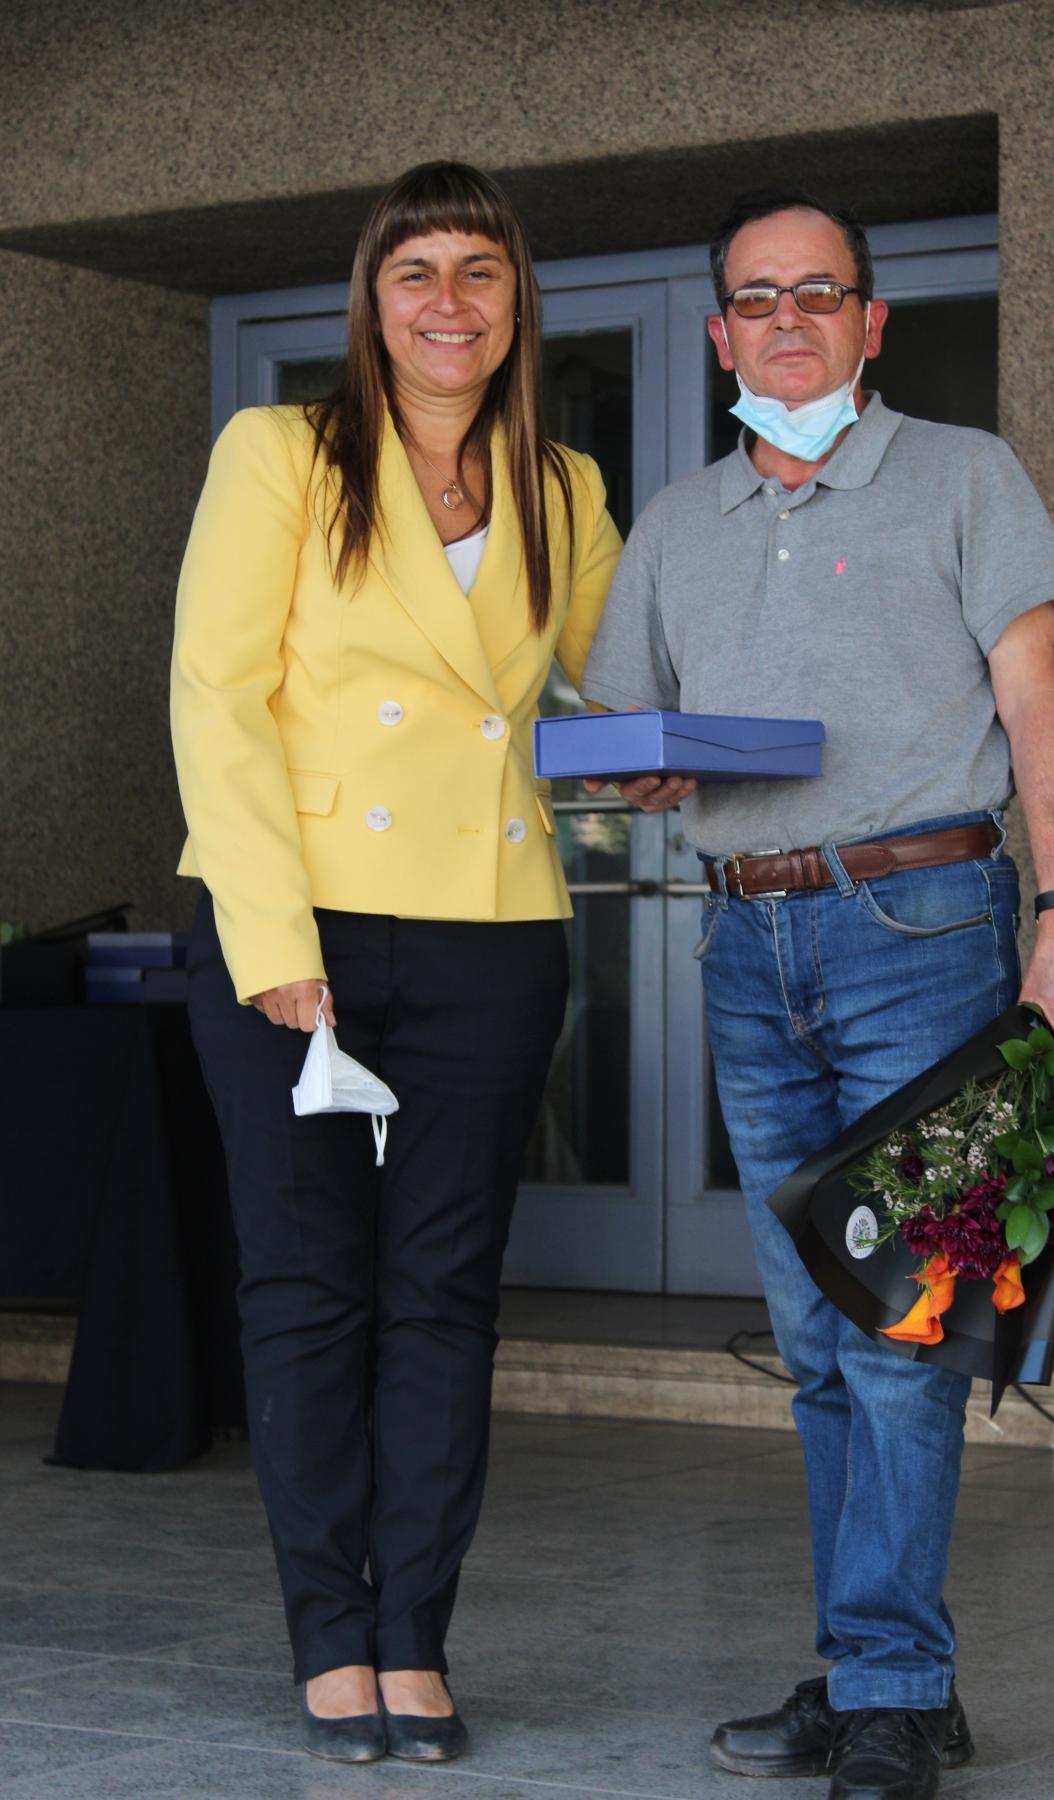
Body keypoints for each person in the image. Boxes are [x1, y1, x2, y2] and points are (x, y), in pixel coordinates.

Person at [581, 186, 1054, 1800]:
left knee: (907, 1330)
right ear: (721, 330)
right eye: (758, 297)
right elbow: (624, 738)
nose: (788, 320)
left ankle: (886, 1683)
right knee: (818, 1339)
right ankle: (886, 1672)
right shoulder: (676, 521)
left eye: (821, 294)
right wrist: (647, 782)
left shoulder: (965, 475)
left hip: (932, 926)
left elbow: (1035, 707)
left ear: (871, 324)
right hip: (747, 943)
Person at [171, 161, 621, 1766]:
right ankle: (328, 1638)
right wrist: (272, 942)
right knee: (305, 1292)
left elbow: (620, 684)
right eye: (417, 270)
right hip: (300, 927)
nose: (449, 302)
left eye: (479, 272)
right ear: (372, 299)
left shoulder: (564, 486)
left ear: (517, 301)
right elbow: (213, 702)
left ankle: (415, 1636)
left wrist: (654, 755)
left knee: (444, 1297)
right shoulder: (282, 453)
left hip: (497, 933)